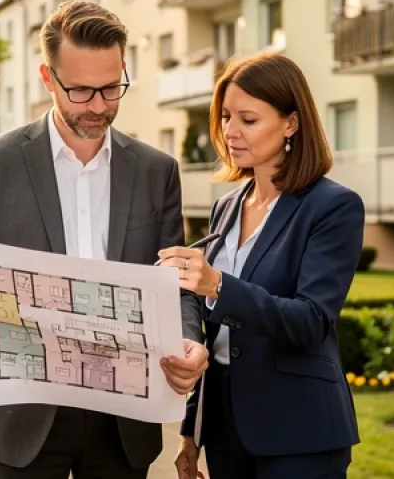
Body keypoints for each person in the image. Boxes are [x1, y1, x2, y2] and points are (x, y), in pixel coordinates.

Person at [0, 0, 208, 479]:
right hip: (19, 416)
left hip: (122, 421)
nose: (100, 106)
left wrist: (189, 339)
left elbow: (176, 284)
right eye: (81, 91)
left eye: (111, 88)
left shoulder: (157, 171)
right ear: (48, 78)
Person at [157, 53, 364, 479]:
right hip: (226, 430)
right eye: (227, 116)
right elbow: (216, 338)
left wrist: (216, 284)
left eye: (248, 120)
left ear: (291, 122)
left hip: (300, 432)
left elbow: (311, 320)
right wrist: (190, 433)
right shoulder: (226, 208)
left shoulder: (333, 207)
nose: (230, 132)